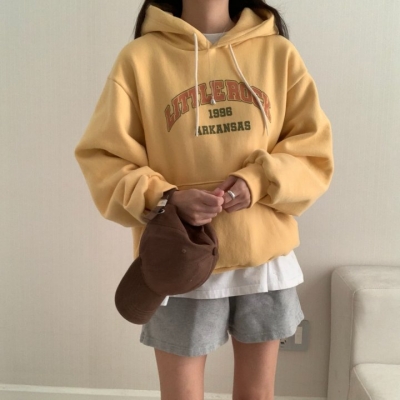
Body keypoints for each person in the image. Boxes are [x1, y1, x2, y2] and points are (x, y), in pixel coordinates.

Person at [75, 0, 334, 398]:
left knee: (256, 395)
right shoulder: (140, 59)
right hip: (180, 256)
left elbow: (313, 151)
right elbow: (104, 158)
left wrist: (257, 181)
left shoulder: (277, 53)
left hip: (264, 256)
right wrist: (167, 198)